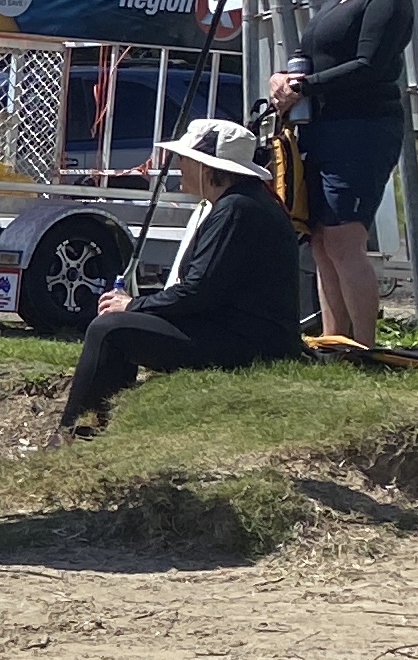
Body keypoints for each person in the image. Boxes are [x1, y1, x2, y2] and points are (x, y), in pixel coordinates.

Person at [53, 116, 306, 433]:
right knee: (115, 326)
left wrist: (133, 306)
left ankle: (74, 437)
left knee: (109, 329)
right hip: (237, 329)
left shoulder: (237, 209)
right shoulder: (243, 201)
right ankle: (97, 429)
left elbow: (197, 291)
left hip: (251, 342)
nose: (179, 166)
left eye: (184, 159)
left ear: (207, 166)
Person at [267, 0, 416, 351]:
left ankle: (364, 346)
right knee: (320, 240)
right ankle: (333, 341)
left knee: (345, 236)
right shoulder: (339, 2)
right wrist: (283, 79)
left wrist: (305, 85)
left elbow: (370, 66)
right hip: (320, 129)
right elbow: (306, 57)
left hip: (362, 129)